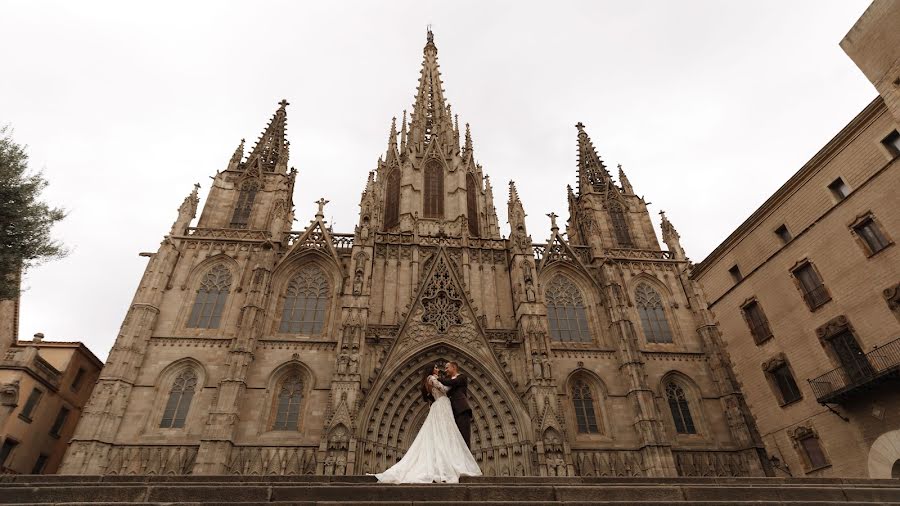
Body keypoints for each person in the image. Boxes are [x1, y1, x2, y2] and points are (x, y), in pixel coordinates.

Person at [373, 363, 481, 483]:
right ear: (431, 370)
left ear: (454, 368)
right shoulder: (432, 379)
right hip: (442, 406)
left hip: (444, 407)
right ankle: (447, 466)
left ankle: (448, 463)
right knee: (444, 434)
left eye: (445, 368)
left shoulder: (459, 377)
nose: (439, 369)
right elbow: (444, 389)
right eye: (436, 368)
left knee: (445, 435)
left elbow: (437, 392)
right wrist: (438, 379)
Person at [438, 361, 473, 449]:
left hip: (462, 409)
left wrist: (437, 379)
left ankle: (467, 460)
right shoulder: (448, 380)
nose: (445, 370)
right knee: (453, 439)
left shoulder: (461, 377)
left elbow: (453, 382)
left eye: (447, 368)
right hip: (452, 411)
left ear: (454, 367)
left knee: (464, 437)